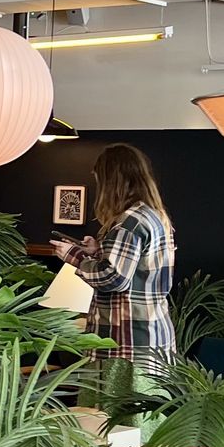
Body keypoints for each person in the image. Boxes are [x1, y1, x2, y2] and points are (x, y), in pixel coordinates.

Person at [53, 143, 177, 364]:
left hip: (125, 340)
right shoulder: (153, 215)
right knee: (145, 399)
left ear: (112, 181)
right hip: (151, 334)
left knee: (115, 399)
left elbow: (114, 278)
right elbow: (138, 267)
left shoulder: (128, 222)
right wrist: (99, 251)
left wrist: (74, 256)